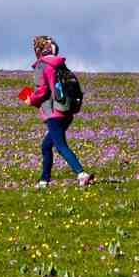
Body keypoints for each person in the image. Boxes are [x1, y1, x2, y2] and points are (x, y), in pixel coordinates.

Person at [26, 35, 93, 188]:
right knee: (46, 146)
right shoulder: (61, 65)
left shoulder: (42, 66)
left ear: (38, 51)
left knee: (61, 146)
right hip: (67, 111)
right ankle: (44, 180)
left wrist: (31, 100)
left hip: (54, 113)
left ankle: (81, 174)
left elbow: (41, 91)